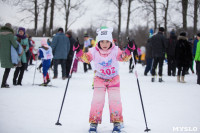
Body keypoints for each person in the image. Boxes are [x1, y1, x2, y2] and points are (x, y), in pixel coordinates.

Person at [73, 27, 134, 133]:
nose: (104, 44)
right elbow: (85, 58)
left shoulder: (115, 50)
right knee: (97, 101)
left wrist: (129, 50)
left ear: (111, 42)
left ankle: (117, 122)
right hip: (99, 79)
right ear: (98, 42)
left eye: (107, 41)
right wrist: (78, 51)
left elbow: (123, 57)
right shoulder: (93, 51)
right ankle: (94, 122)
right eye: (102, 41)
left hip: (114, 79)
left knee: (115, 101)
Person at [0, 23, 18, 88]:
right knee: (7, 69)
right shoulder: (10, 35)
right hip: (9, 54)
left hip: (2, 53)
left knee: (6, 68)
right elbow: (15, 45)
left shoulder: (0, 34)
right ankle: (3, 83)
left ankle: (4, 82)